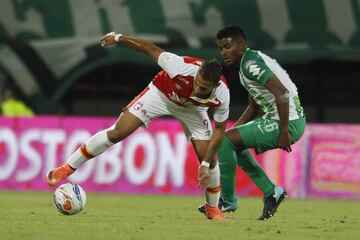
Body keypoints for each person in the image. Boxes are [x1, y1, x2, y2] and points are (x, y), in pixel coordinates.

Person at [45, 32, 230, 220]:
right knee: (117, 133)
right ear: (197, 74)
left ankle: (212, 208)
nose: (197, 89)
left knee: (211, 159)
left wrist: (205, 163)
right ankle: (67, 168)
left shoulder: (222, 95)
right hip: (162, 95)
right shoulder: (179, 67)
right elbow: (150, 48)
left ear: (214, 87)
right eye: (197, 83)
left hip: (193, 111)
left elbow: (220, 129)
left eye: (203, 89)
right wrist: (118, 38)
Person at [198, 25, 306, 220]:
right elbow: (253, 107)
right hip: (282, 118)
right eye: (221, 48)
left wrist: (284, 132)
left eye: (228, 46)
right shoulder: (247, 64)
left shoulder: (250, 65)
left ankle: (228, 200)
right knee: (230, 142)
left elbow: (282, 94)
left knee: (224, 141)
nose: (224, 52)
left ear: (241, 45)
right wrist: (233, 131)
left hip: (288, 122)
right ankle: (271, 191)